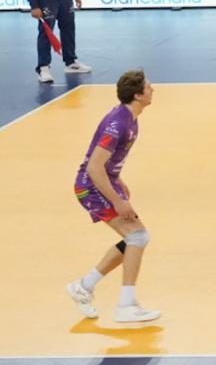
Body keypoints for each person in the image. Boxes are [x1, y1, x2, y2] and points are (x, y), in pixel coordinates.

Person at [62, 69, 160, 325]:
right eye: (149, 87)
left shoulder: (130, 118)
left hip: (101, 182)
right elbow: (94, 167)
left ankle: (84, 287)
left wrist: (118, 180)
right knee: (137, 236)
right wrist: (117, 199)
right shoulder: (119, 124)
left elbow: (105, 163)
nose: (153, 90)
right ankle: (126, 306)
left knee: (135, 238)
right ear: (138, 95)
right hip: (90, 187)